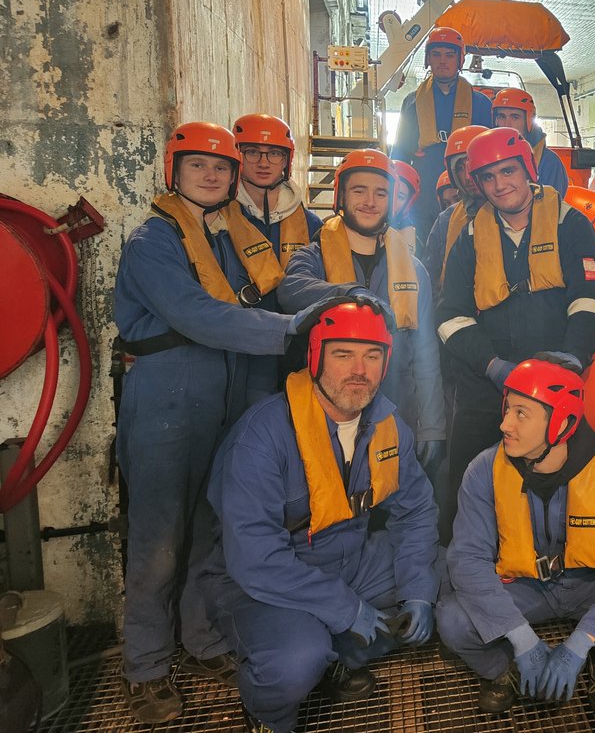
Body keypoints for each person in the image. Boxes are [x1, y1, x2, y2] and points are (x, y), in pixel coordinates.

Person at [113, 122, 313, 724]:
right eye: (198, 165)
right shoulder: (155, 239)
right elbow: (197, 313)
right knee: (158, 538)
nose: (212, 175)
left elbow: (261, 294)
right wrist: (289, 332)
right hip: (166, 397)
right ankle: (146, 666)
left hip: (222, 391)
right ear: (173, 170)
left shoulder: (224, 237)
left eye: (221, 168)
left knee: (209, 524)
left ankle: (200, 640)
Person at [206, 298, 439, 733]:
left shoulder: (388, 426)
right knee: (295, 661)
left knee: (448, 575)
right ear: (315, 357)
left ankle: (340, 656)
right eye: (343, 354)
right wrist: (347, 609)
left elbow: (417, 512)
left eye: (373, 356)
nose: (359, 370)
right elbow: (255, 559)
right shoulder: (263, 436)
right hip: (269, 580)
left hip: (353, 560)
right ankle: (268, 714)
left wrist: (420, 594)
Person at [437, 360, 595, 719]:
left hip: (590, 585)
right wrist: (520, 637)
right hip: (522, 587)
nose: (504, 424)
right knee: (452, 620)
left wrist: (583, 641)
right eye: (508, 409)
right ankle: (503, 670)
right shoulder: (483, 471)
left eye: (521, 413)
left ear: (562, 423)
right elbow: (467, 561)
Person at [436, 128, 595, 540]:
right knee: (463, 477)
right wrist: (491, 366)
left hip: (554, 376)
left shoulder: (571, 225)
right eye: (489, 177)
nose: (501, 185)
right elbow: (449, 315)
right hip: (487, 380)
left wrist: (573, 357)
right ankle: (455, 557)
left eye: (508, 171)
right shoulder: (472, 235)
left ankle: (569, 557)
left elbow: (589, 300)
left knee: (570, 470)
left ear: (528, 169)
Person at [279, 149, 447, 480]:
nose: (370, 201)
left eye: (380, 193)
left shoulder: (413, 270)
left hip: (393, 409)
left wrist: (431, 426)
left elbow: (426, 355)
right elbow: (290, 291)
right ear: (341, 195)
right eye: (359, 191)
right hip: (326, 408)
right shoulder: (314, 256)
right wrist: (347, 293)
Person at [229, 113, 323, 404]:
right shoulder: (218, 217)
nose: (264, 162)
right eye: (252, 152)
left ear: (286, 160)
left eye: (274, 153)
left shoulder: (311, 224)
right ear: (238, 157)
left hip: (296, 343)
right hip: (238, 344)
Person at [390, 26, 492, 239]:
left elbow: (489, 155)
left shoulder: (480, 104)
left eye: (449, 55)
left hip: (467, 186)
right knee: (424, 245)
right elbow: (400, 152)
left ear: (460, 60)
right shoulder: (412, 102)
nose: (442, 61)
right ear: (428, 59)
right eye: (436, 55)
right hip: (424, 190)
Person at [423, 124, 488, 295]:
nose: (468, 175)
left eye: (473, 163)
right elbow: (430, 278)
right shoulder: (446, 220)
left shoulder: (515, 212)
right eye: (459, 167)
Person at [491, 87, 569, 196]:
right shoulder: (487, 157)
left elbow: (552, 206)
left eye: (515, 117)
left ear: (528, 120)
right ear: (495, 121)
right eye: (501, 116)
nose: (507, 124)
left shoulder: (549, 162)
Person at [390, 158, 421, 252]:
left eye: (400, 196)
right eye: (386, 192)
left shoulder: (416, 241)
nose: (392, 201)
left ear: (408, 203)